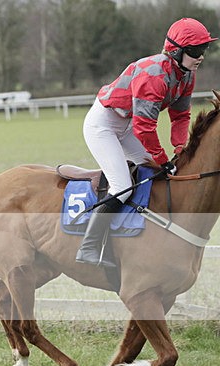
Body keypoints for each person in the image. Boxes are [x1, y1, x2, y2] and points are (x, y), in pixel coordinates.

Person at [77, 18, 216, 267]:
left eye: (203, 51)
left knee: (156, 175)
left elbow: (181, 116)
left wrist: (179, 149)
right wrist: (163, 160)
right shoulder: (154, 75)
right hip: (103, 126)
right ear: (177, 51)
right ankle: (88, 247)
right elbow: (145, 128)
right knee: (123, 186)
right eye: (196, 51)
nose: (201, 57)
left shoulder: (186, 76)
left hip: (127, 125)